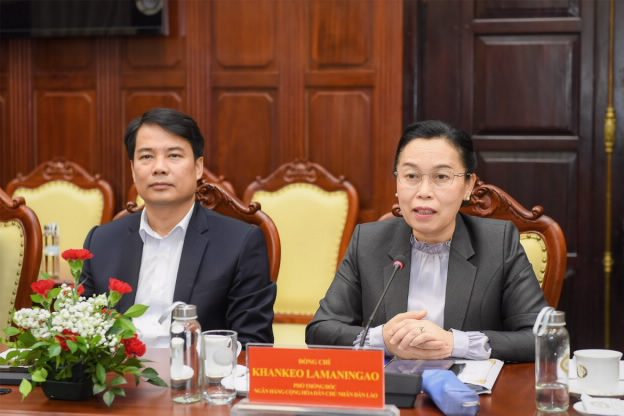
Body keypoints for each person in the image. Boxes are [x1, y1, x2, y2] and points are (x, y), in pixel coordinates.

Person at [305, 120, 548, 363]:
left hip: (467, 386)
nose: (424, 192)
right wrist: (383, 339)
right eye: (411, 175)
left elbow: (542, 337)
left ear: (468, 185)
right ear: (397, 182)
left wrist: (454, 343)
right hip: (393, 384)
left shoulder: (498, 243)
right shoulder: (369, 242)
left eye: (441, 176)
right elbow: (320, 330)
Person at [82, 107, 276, 347]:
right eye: (146, 157)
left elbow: (253, 343)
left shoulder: (240, 243)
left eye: (173, 155)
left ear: (198, 167)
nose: (159, 168)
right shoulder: (101, 242)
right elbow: (81, 334)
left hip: (196, 369)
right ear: (132, 169)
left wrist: (204, 348)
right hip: (118, 371)